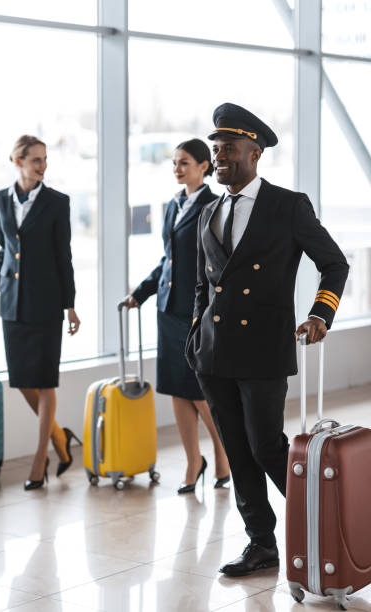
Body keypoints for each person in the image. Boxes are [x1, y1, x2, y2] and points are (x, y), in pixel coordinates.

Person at [186, 103, 349, 575]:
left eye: (228, 149)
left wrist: (322, 314)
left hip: (262, 349)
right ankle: (261, 543)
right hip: (213, 354)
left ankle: (326, 522)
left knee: (266, 447)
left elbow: (334, 263)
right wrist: (196, 334)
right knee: (237, 451)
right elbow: (203, 284)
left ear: (254, 153)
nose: (218, 157)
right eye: (215, 149)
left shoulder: (287, 205)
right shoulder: (209, 212)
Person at [0, 135, 81, 490]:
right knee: (21, 380)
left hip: (47, 303)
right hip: (11, 303)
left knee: (46, 379)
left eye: (45, 160)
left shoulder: (56, 202)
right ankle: (61, 440)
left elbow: (63, 257)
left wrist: (70, 305)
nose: (42, 166)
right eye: (35, 160)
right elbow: (5, 249)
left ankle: (40, 458)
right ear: (17, 161)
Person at [125, 138, 230, 493]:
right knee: (176, 390)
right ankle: (193, 462)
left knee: (200, 392)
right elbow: (167, 260)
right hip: (168, 309)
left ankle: (222, 454)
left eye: (184, 162)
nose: (177, 168)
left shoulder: (214, 206)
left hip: (196, 312)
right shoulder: (172, 206)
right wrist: (140, 293)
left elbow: (218, 263)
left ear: (204, 166)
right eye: (174, 163)